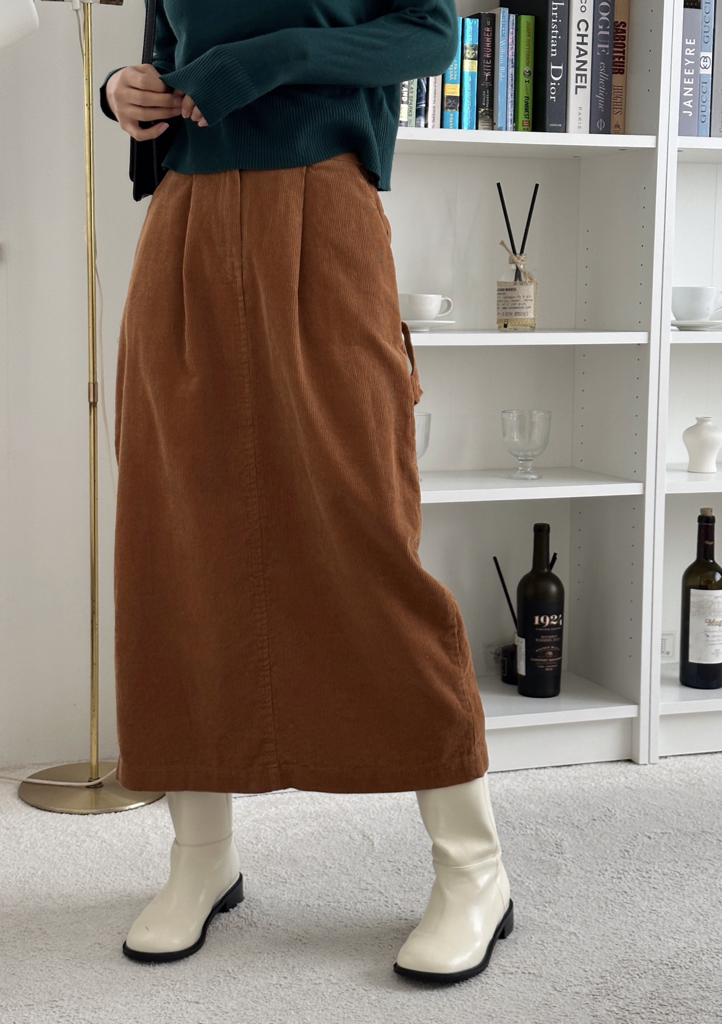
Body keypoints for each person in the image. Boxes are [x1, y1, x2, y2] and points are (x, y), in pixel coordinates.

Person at [99, 0, 513, 983]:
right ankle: (201, 855)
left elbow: (429, 35)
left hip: (321, 216)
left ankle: (474, 868)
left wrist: (278, 58)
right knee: (175, 540)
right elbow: (166, 54)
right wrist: (123, 94)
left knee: (364, 540)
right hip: (184, 225)